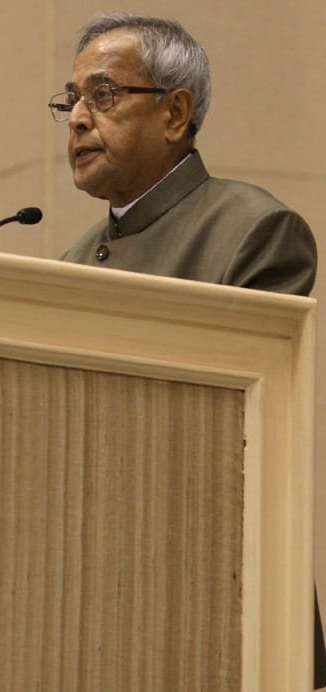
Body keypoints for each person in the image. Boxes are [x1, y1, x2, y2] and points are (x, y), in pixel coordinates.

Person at [51, 11, 325, 688]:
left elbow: (239, 438)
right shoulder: (70, 261)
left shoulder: (253, 229)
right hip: (93, 591)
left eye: (103, 95)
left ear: (175, 113)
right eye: (71, 99)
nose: (77, 119)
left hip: (217, 589)